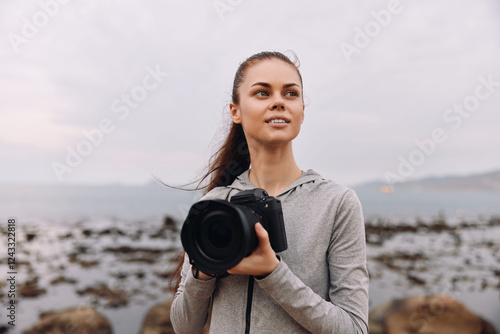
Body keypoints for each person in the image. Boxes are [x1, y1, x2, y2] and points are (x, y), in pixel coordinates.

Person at [170, 51, 369, 334]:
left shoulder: (336, 203)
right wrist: (203, 270)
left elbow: (355, 329)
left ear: (302, 111)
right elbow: (183, 327)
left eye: (290, 94)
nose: (278, 102)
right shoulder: (213, 206)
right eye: (262, 93)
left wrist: (272, 273)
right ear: (235, 111)